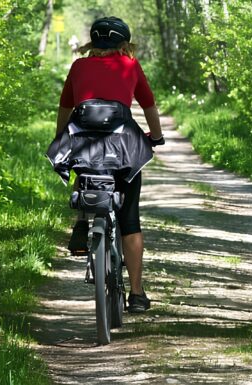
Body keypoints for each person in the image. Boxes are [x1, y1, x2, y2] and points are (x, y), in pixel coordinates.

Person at [52, 17, 164, 313]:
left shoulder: (78, 66)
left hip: (83, 142)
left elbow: (65, 108)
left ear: (93, 43)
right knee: (130, 220)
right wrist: (158, 137)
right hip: (123, 145)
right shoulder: (130, 65)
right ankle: (137, 294)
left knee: (84, 164)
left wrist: (61, 138)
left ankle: (81, 222)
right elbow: (148, 105)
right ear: (124, 44)